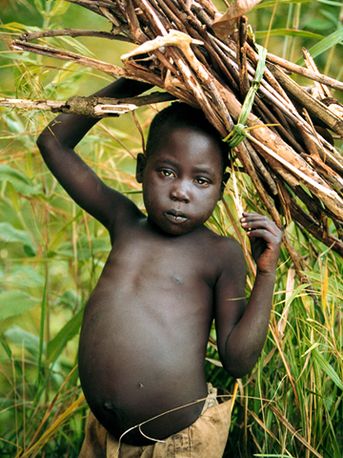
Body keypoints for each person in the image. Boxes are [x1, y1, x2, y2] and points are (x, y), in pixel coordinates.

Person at [36, 77, 282, 457]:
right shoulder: (124, 222)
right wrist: (131, 83)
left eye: (201, 180)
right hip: (101, 441)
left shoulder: (220, 254)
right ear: (141, 168)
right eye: (166, 171)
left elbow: (236, 360)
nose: (181, 191)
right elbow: (52, 142)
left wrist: (266, 275)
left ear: (221, 187)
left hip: (177, 446)